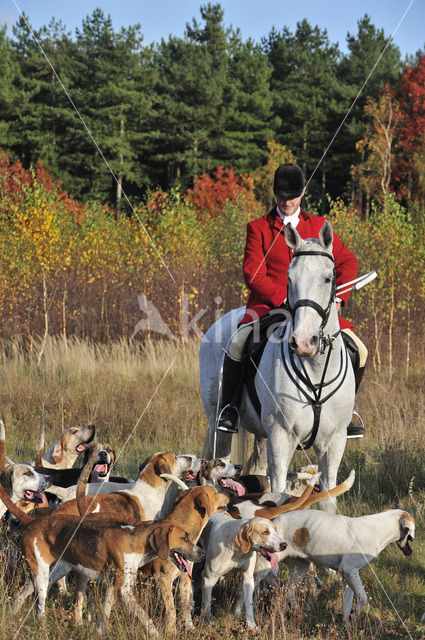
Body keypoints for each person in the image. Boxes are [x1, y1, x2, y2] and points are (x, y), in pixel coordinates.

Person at [217, 162, 367, 438]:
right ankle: (231, 409)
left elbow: (348, 262)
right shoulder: (259, 228)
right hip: (269, 307)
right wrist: (286, 298)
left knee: (359, 350)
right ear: (275, 194)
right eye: (282, 196)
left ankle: (347, 413)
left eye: (292, 196)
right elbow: (252, 273)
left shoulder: (319, 226)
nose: (287, 202)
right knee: (238, 343)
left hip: (314, 312)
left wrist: (338, 298)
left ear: (303, 193)